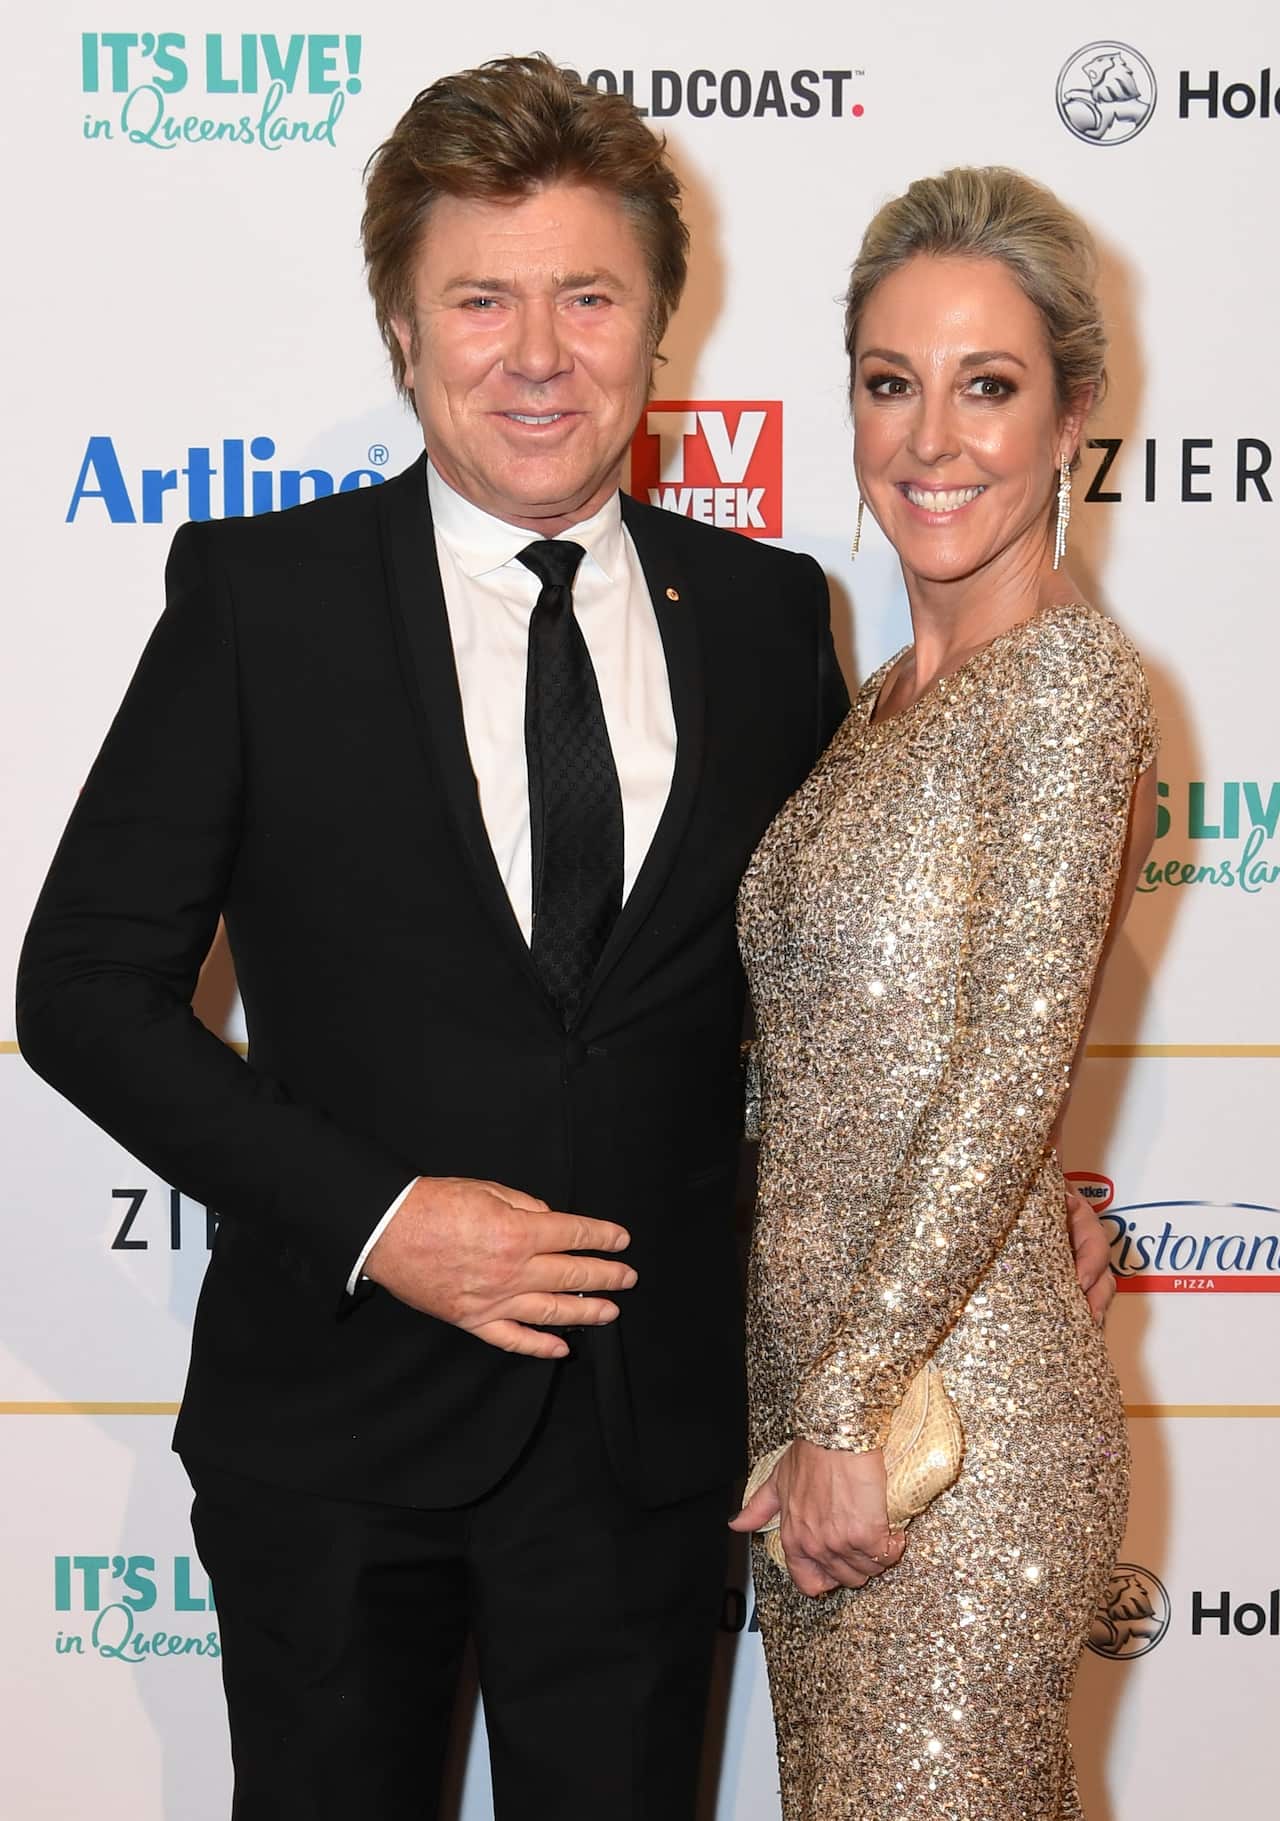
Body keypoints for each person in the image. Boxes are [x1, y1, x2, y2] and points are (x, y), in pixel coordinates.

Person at [15, 58, 1115, 1819]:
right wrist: (382, 1217)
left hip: (644, 1457)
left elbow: (850, 985)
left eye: (589, 297)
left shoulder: (767, 617)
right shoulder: (258, 601)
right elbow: (78, 991)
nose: (539, 354)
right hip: (332, 1441)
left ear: (658, 327)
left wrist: (1016, 1209)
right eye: (482, 300)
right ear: (402, 328)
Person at [733, 166, 1156, 1820]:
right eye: (889, 382)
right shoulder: (878, 705)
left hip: (946, 1447)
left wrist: (844, 1405)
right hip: (832, 1428)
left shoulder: (1069, 683)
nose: (930, 439)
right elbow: (823, 1069)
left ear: (1072, 419)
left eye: (987, 386)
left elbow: (1002, 1071)